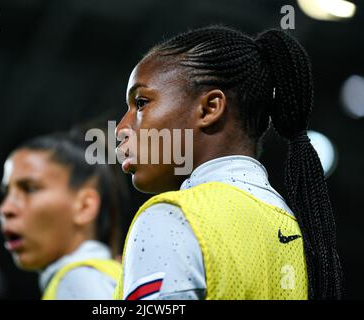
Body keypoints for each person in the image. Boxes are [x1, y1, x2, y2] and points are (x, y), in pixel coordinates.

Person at [114, 25, 343, 300]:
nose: (121, 128)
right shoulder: (299, 233)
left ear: (210, 108)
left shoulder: (175, 217)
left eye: (140, 103)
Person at [0, 131, 123, 299]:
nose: (5, 208)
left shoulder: (76, 280)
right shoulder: (110, 277)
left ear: (84, 207)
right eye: (6, 193)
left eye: (30, 188)